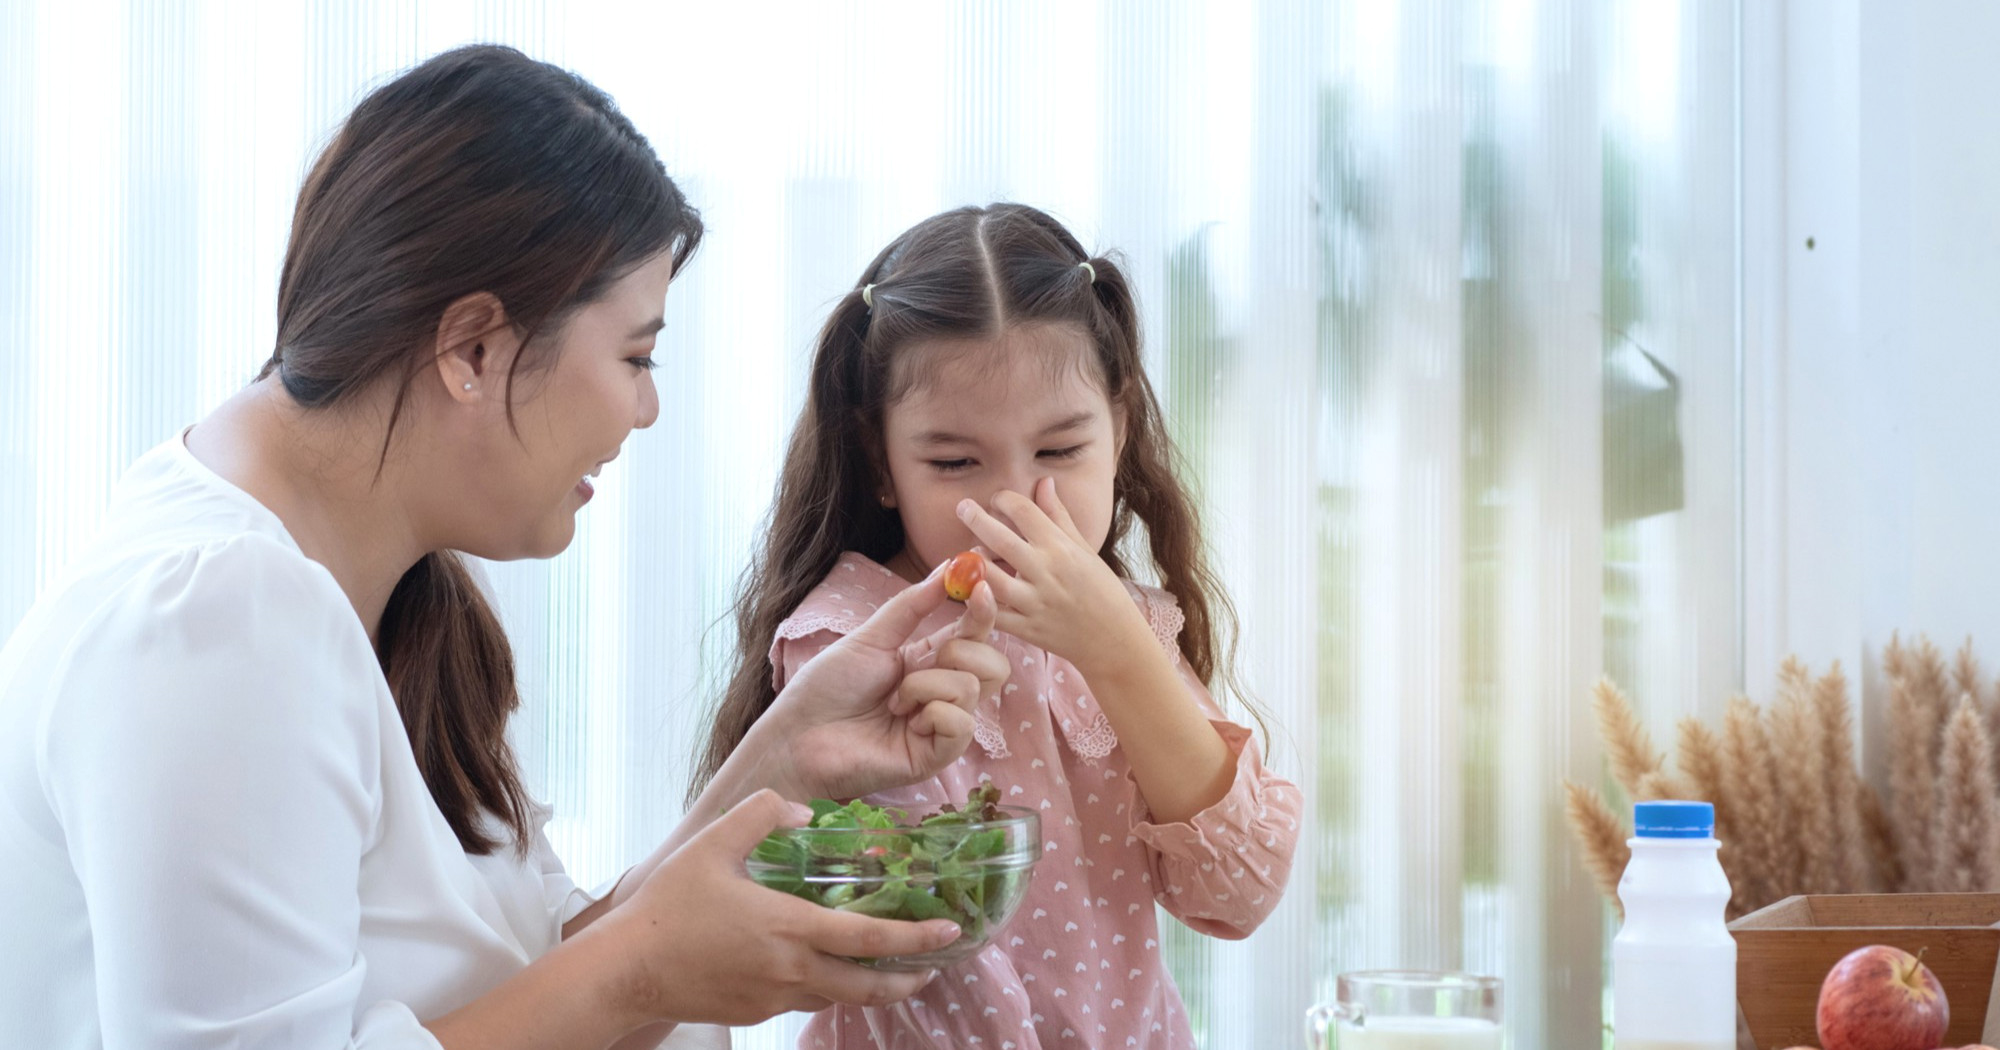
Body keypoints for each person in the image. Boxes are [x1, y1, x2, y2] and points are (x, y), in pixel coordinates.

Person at [0, 45, 1013, 1050]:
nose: (646, 408)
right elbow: (593, 984)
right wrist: (646, 969)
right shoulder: (218, 616)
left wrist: (781, 766)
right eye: (634, 355)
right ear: (473, 347)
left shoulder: (373, 597)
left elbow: (532, 977)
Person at [695, 203, 1304, 1048]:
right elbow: (935, 941)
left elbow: (1237, 892)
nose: (1016, 502)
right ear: (881, 463)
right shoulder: (847, 641)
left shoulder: (1126, 626)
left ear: (1119, 435)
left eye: (1061, 453)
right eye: (953, 463)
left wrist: (1119, 654)